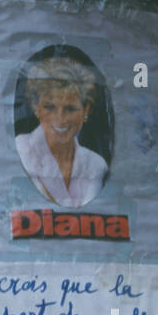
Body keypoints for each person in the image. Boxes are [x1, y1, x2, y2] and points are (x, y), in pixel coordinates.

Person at [15, 57, 107, 208]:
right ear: (36, 107)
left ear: (86, 110)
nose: (60, 119)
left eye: (70, 109)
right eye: (50, 107)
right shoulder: (22, 150)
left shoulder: (96, 165)